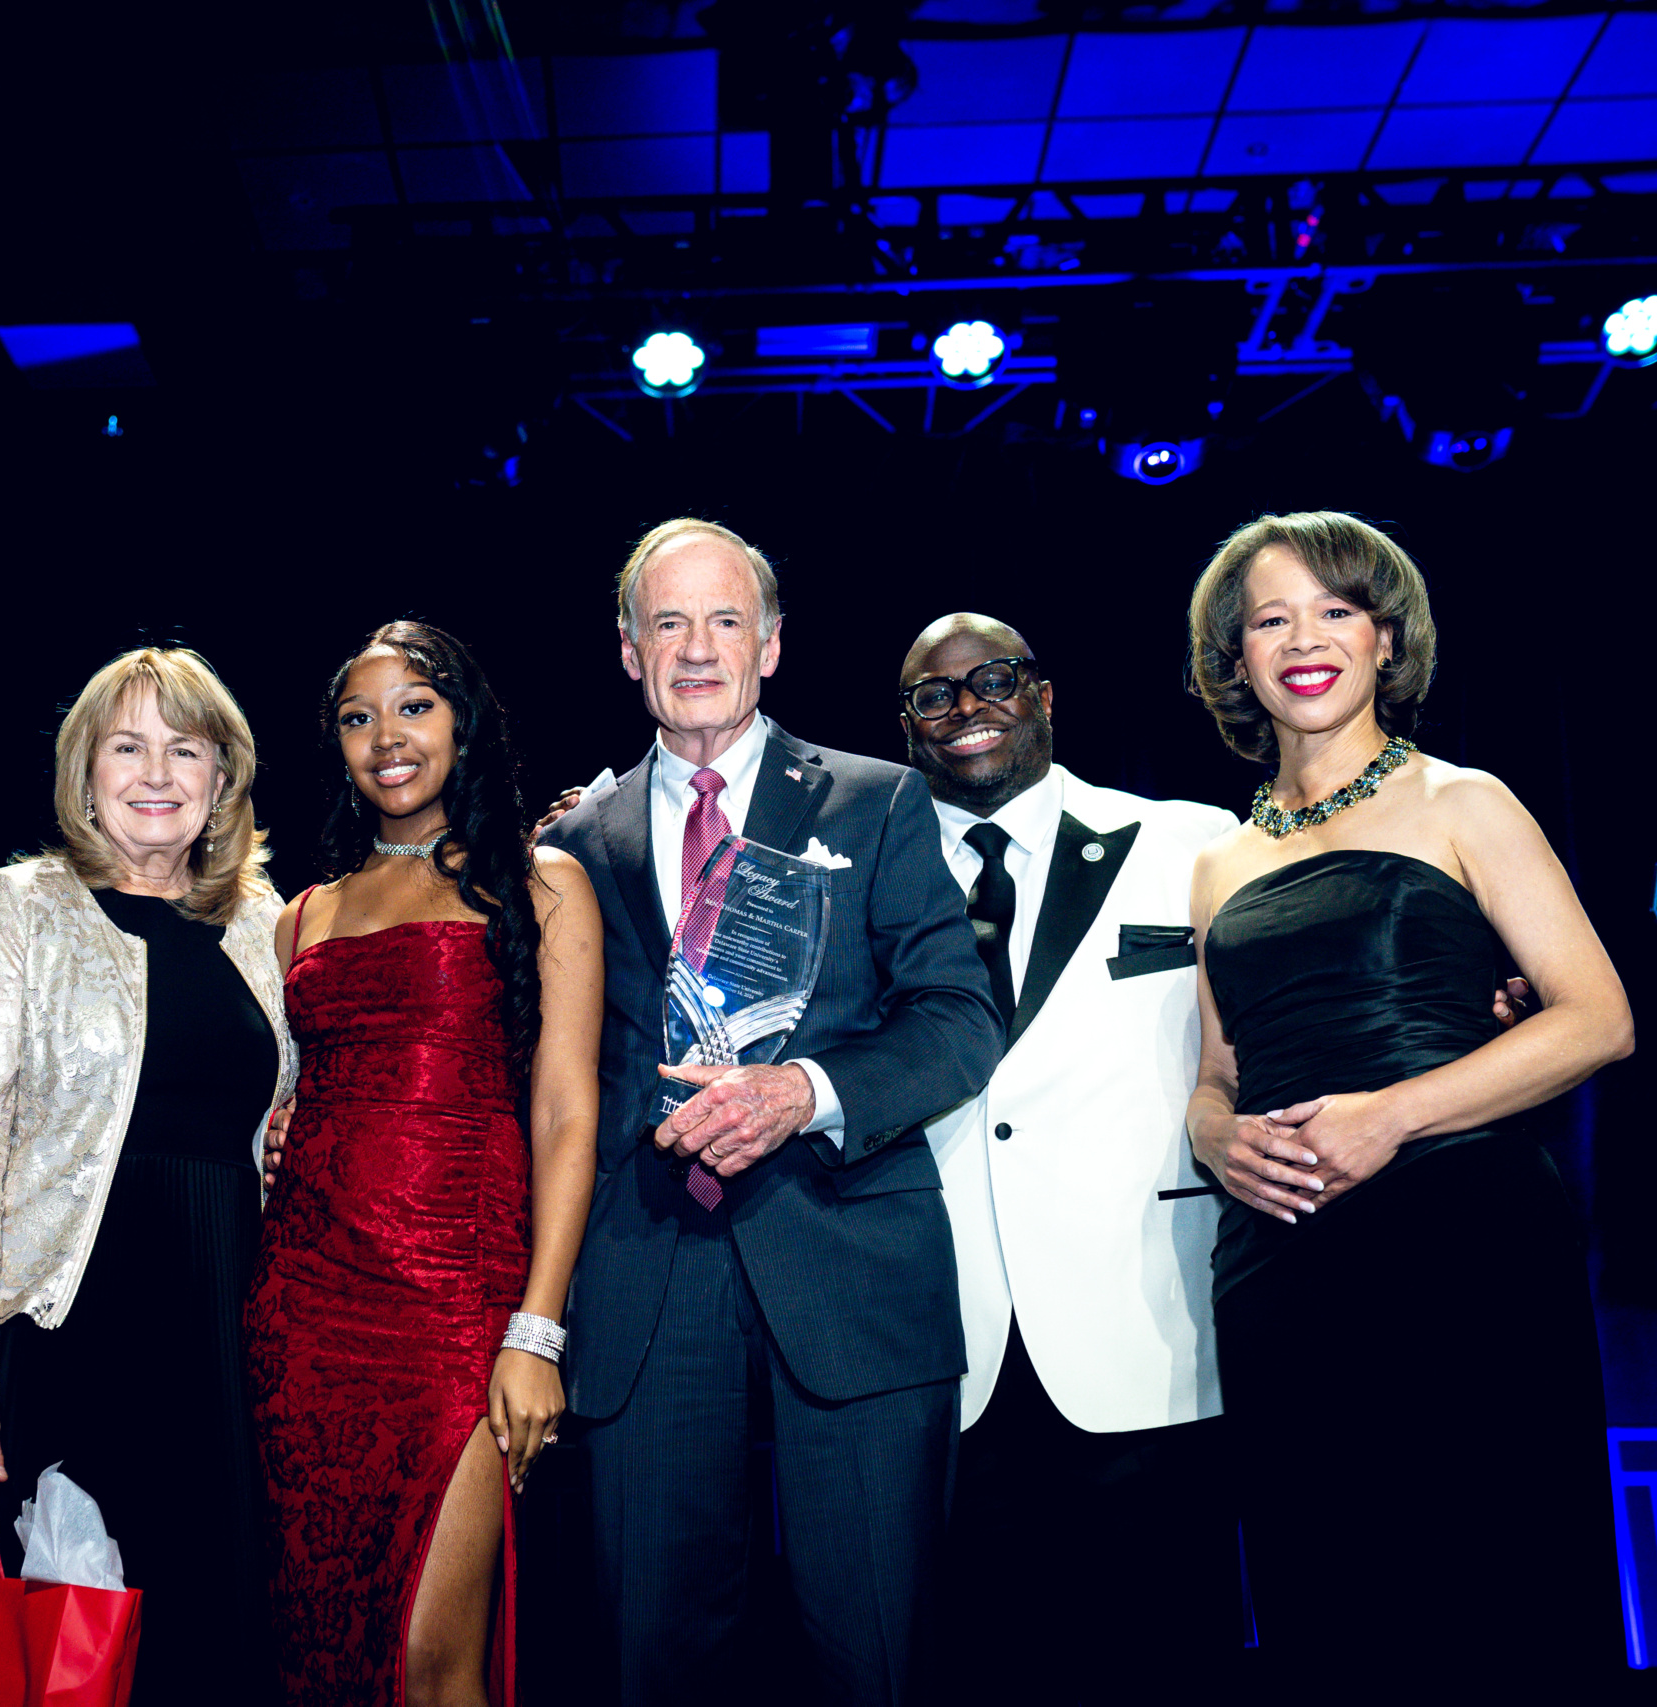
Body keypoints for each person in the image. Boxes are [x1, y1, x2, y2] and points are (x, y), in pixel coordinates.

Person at [538, 519, 1002, 1705]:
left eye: (726, 619)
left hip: (850, 1261)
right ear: (630, 653)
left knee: (879, 1655)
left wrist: (808, 1093)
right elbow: (548, 1074)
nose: (699, 649)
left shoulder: (880, 803)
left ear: (774, 645)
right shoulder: (571, 845)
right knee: (650, 1656)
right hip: (646, 1278)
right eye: (670, 623)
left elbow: (956, 1019)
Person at [1183, 511, 1633, 1702]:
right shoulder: (1219, 862)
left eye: (1335, 611)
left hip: (1461, 1234)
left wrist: (1388, 1115)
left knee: (1496, 1591)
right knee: (1331, 1603)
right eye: (1269, 620)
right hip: (1280, 1263)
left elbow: (1595, 1018)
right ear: (1235, 661)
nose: (1304, 639)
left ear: (1387, 640)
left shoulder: (1464, 802)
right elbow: (1217, 1068)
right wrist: (1208, 1131)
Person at [0, 646, 297, 1707]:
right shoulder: (18, 908)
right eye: (127, 746)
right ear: (85, 772)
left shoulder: (274, 925)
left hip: (233, 1332)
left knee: (209, 1628)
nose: (158, 771)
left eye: (186, 747)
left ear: (224, 777)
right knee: (69, 1646)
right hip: (70, 1330)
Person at [246, 620, 601, 1707]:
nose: (385, 737)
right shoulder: (304, 913)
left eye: (414, 706)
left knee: (432, 1661)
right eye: (357, 718)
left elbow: (564, 1116)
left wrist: (535, 1334)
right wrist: (276, 1124)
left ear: (465, 723)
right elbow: (288, 1089)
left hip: (456, 1316)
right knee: (320, 1645)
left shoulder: (542, 884)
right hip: (301, 1317)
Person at [896, 614, 1245, 1703]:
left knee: (1167, 1662)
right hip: (947, 1356)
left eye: (991, 679)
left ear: (1044, 696)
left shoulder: (1188, 839)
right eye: (933, 695)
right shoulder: (866, 879)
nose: (965, 707)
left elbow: (1306, 982)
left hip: (1151, 1337)